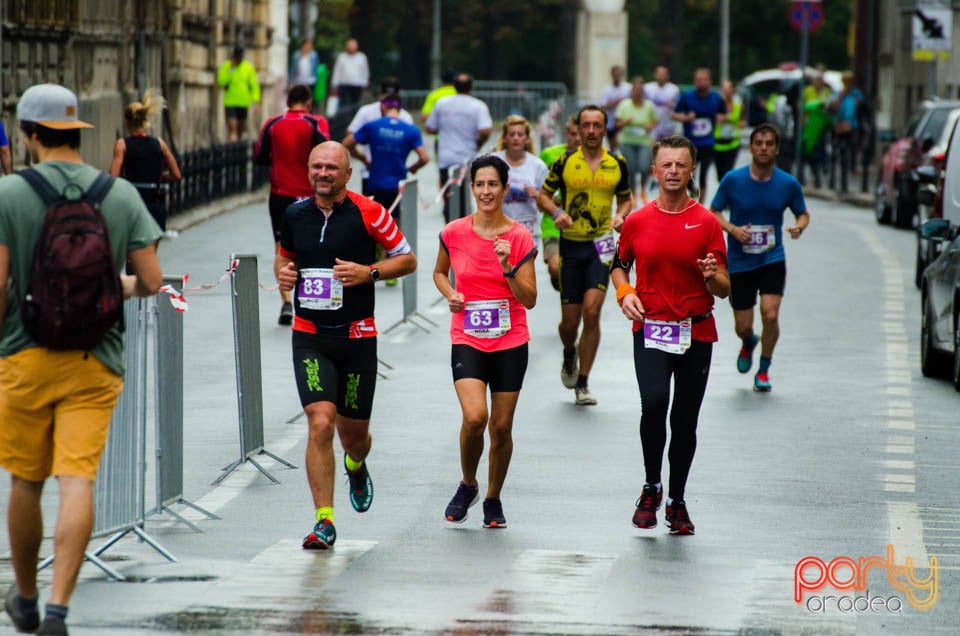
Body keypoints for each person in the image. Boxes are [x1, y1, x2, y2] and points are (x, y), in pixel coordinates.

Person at [0, 83, 163, 635]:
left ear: (28, 134)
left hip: (23, 354)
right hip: (96, 359)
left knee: (26, 481)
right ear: (77, 132)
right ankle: (59, 609)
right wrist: (109, 287)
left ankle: (24, 596)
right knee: (77, 482)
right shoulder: (116, 195)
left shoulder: (9, 194)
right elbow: (152, 280)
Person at [276, 141, 417, 550]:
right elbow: (283, 259)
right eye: (317, 167)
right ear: (308, 171)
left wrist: (368, 271)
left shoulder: (369, 212)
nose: (323, 173)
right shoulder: (294, 214)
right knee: (320, 421)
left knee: (353, 436)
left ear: (347, 173)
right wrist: (285, 279)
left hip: (357, 337)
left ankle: (356, 465)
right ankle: (324, 521)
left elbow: (407, 260)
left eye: (331, 168)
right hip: (310, 335)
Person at [610, 134, 729, 536]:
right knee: (654, 404)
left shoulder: (708, 223)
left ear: (692, 170)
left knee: (685, 420)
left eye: (681, 164)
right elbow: (618, 264)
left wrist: (714, 278)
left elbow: (725, 287)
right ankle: (651, 486)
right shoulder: (637, 221)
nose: (674, 171)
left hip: (696, 331)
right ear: (655, 170)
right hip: (651, 328)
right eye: (667, 165)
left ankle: (677, 500)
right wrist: (625, 293)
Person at [433, 155, 537, 528]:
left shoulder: (519, 236)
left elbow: (529, 298)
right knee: (476, 417)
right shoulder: (454, 231)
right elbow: (439, 273)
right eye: (480, 184)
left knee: (501, 427)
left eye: (494, 184)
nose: (487, 191)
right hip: (468, 337)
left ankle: (493, 498)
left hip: (510, 340)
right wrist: (450, 294)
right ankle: (468, 483)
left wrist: (508, 266)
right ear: (471, 187)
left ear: (505, 189)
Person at [536, 105, 632, 406]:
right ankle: (569, 352)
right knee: (569, 324)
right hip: (571, 247)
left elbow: (626, 199)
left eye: (596, 125)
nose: (591, 131)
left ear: (605, 129)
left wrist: (621, 217)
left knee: (592, 313)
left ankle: (583, 382)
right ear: (579, 129)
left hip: (601, 248)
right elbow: (542, 196)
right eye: (585, 125)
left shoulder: (617, 163)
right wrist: (557, 211)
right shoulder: (565, 161)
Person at [709, 123, 810, 392]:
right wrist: (732, 229)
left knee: (771, 314)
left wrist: (799, 226)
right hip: (740, 262)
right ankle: (748, 341)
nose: (764, 148)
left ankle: (764, 369)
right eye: (759, 143)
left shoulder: (788, 183)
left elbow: (803, 212)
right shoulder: (733, 179)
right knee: (743, 326)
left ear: (776, 149)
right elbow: (714, 211)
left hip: (771, 259)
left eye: (769, 144)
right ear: (751, 147)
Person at [254, 84, 329, 325]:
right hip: (310, 195)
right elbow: (328, 155)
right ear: (308, 102)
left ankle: (286, 302)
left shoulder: (272, 124)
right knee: (313, 247)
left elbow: (259, 158)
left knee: (281, 249)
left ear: (288, 102)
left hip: (280, 196)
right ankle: (309, 302)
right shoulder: (316, 122)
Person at [344, 95, 429, 285]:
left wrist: (362, 158)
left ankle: (372, 258)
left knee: (370, 220)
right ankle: (390, 263)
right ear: (400, 108)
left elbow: (347, 143)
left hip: (374, 181)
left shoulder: (372, 125)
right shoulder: (411, 130)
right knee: (395, 222)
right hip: (397, 184)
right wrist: (412, 168)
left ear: (382, 106)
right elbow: (424, 157)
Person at [109, 90, 182, 235]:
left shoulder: (122, 145)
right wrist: (159, 177)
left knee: (131, 252)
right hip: (155, 206)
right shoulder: (160, 143)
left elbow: (113, 177)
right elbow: (176, 175)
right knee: (150, 254)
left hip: (132, 206)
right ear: (144, 120)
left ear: (126, 122)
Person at [426, 73, 493, 223]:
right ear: (471, 87)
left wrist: (446, 128)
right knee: (465, 196)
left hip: (446, 157)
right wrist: (478, 144)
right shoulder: (478, 105)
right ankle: (463, 226)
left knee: (447, 193)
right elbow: (485, 130)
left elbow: (430, 128)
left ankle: (449, 227)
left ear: (454, 86)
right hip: (467, 157)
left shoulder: (442, 103)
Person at [346, 77, 416, 195]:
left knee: (372, 212)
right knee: (393, 213)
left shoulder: (366, 112)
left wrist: (363, 157)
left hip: (371, 172)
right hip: (395, 176)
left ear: (380, 93)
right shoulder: (405, 118)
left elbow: (349, 139)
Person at [671, 68, 727, 203]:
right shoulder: (687, 96)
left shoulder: (716, 98)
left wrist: (721, 118)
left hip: (708, 142)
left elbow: (724, 114)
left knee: (703, 175)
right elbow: (673, 114)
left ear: (710, 81)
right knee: (688, 174)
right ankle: (692, 190)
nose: (701, 82)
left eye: (704, 79)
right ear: (694, 81)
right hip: (690, 143)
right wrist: (685, 118)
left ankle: (700, 205)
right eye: (698, 80)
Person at [538, 115, 580, 292]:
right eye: (573, 134)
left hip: (580, 227)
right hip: (552, 224)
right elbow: (539, 187)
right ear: (566, 134)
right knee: (556, 268)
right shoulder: (549, 154)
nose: (577, 139)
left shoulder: (596, 158)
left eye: (580, 134)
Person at [492, 115, 549, 238]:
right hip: (499, 229)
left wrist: (537, 195)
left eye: (520, 134)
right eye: (511, 135)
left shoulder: (537, 165)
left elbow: (550, 201)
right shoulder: (493, 161)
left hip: (528, 231)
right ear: (505, 138)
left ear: (527, 139)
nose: (516, 138)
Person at [615, 75, 658, 203]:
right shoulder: (624, 105)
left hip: (644, 141)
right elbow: (616, 123)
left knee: (645, 166)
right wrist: (626, 122)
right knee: (631, 168)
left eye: (640, 90)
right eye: (635, 90)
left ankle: (643, 190)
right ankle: (633, 193)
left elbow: (655, 120)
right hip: (627, 141)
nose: (637, 92)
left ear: (643, 92)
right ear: (631, 91)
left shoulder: (649, 105)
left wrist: (650, 126)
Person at [829, 71, 865, 193]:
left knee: (851, 149)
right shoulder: (839, 93)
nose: (847, 84)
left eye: (849, 82)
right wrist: (840, 98)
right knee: (836, 153)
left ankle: (852, 167)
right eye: (845, 82)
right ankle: (833, 180)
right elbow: (833, 107)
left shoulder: (856, 94)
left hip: (852, 126)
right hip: (839, 126)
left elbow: (861, 107)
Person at [217, 45, 261, 141]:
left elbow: (254, 85)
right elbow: (221, 81)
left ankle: (237, 152)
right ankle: (231, 151)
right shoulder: (227, 66)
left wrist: (255, 100)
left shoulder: (248, 67)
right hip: (230, 102)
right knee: (233, 129)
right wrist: (231, 70)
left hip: (243, 103)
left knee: (240, 129)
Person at [801, 67, 834, 189]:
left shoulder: (827, 92)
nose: (818, 82)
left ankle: (821, 169)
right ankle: (812, 172)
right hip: (809, 126)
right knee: (808, 150)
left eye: (820, 80)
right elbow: (803, 108)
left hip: (823, 126)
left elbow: (830, 107)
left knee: (821, 148)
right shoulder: (807, 91)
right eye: (816, 79)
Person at [713, 80, 743, 183]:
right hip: (718, 144)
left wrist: (724, 117)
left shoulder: (737, 105)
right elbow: (715, 118)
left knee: (728, 173)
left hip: (732, 143)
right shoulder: (716, 105)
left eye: (728, 88)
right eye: (724, 89)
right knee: (719, 175)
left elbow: (735, 116)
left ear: (733, 90)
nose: (726, 91)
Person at [331, 38, 369, 114]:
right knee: (344, 105)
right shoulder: (342, 57)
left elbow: (365, 71)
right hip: (344, 85)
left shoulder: (361, 57)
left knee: (355, 105)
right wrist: (334, 84)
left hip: (357, 85)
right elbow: (337, 71)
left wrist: (365, 83)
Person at [599, 65, 632, 153]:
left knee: (621, 143)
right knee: (612, 146)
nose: (617, 77)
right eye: (615, 75)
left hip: (624, 122)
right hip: (611, 122)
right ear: (612, 75)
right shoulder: (607, 89)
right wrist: (614, 102)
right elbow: (602, 106)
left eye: (618, 74)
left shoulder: (628, 88)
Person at [644, 65, 680, 142]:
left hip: (668, 125)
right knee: (652, 148)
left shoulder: (674, 89)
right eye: (659, 74)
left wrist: (673, 105)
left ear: (667, 76)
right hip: (652, 125)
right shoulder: (647, 88)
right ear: (655, 75)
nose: (661, 77)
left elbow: (678, 108)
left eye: (663, 75)